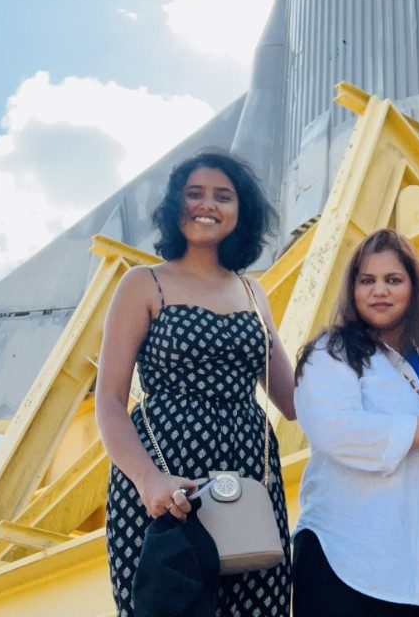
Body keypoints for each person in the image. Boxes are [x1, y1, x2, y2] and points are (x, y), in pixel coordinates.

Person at [96, 150, 295, 617]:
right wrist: (148, 481)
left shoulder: (253, 292)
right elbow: (109, 400)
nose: (207, 205)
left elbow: (292, 399)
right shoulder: (143, 283)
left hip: (249, 481)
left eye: (223, 196)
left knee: (259, 606)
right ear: (175, 203)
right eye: (195, 193)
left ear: (240, 212)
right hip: (166, 486)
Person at [291, 228, 419, 617]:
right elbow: (338, 431)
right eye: (367, 281)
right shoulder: (330, 353)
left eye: (393, 280)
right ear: (352, 289)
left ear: (413, 288)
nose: (379, 291)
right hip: (350, 552)